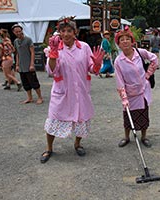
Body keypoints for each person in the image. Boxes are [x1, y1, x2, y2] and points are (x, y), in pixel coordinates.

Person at [40, 16, 104, 163]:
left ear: (75, 32)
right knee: (53, 121)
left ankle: (77, 144)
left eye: (69, 30)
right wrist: (54, 55)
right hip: (62, 93)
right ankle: (49, 148)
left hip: (80, 91)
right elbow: (51, 72)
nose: (66, 34)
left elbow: (91, 70)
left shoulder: (84, 47)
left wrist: (97, 64)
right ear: (59, 33)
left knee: (81, 119)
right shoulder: (54, 49)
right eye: (63, 31)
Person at [114, 26, 158, 148]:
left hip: (143, 90)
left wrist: (148, 74)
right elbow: (119, 80)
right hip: (129, 92)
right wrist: (124, 98)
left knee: (143, 114)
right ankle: (127, 137)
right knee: (128, 115)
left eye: (127, 38)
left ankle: (144, 136)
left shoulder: (140, 53)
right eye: (121, 40)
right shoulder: (118, 61)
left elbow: (154, 59)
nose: (125, 41)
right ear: (119, 44)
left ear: (132, 41)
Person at [12, 24, 43, 104]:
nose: (18, 33)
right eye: (16, 32)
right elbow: (17, 54)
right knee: (25, 82)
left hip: (29, 65)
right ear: (14, 32)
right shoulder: (15, 41)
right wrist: (17, 65)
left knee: (34, 82)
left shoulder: (28, 40)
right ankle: (29, 97)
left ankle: (40, 97)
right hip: (21, 66)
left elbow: (32, 52)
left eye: (20, 31)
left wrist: (32, 64)